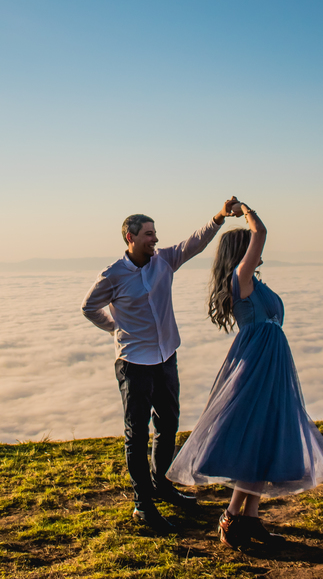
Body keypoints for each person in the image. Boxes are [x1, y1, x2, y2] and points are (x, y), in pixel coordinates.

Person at [167, 201, 323, 548]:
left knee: (268, 438)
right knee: (256, 437)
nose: (258, 251)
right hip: (256, 366)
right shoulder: (240, 279)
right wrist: (246, 210)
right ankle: (231, 518)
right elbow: (261, 233)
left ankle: (251, 518)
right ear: (241, 253)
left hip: (272, 364)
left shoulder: (254, 282)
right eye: (250, 248)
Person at [81, 199, 240, 533]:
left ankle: (161, 484)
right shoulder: (112, 275)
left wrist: (219, 216)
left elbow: (194, 243)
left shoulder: (165, 260)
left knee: (168, 424)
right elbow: (88, 307)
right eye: (149, 234)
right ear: (130, 237)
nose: (155, 239)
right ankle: (143, 504)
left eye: (155, 233)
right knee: (136, 435)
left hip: (166, 356)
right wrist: (115, 328)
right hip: (133, 363)